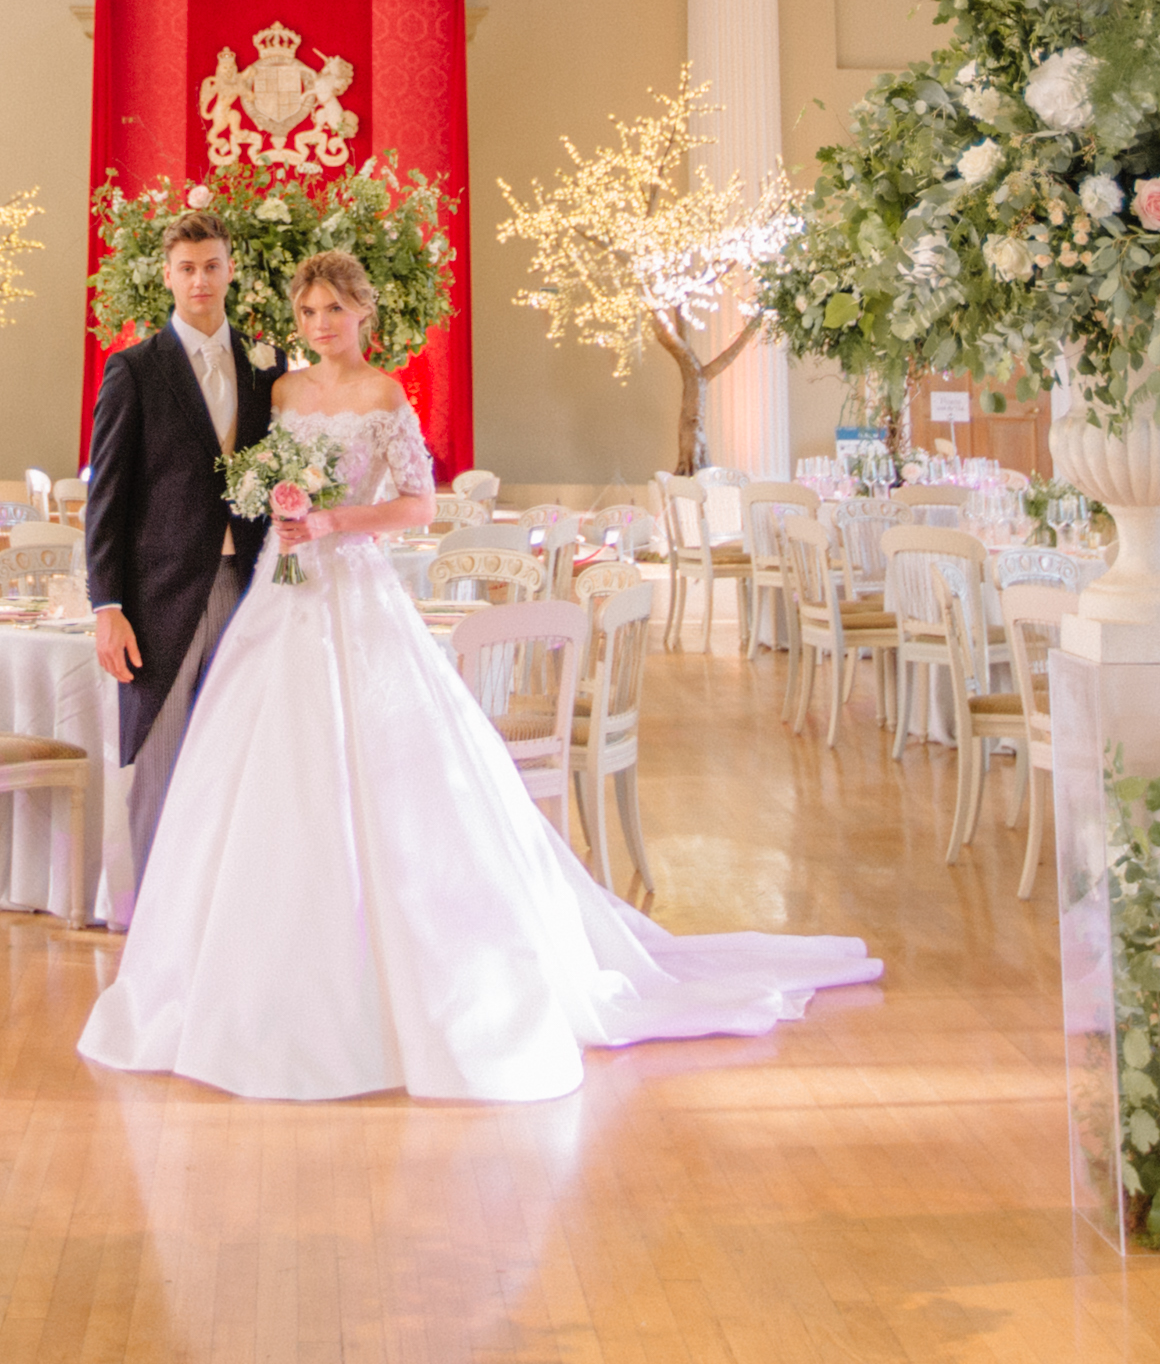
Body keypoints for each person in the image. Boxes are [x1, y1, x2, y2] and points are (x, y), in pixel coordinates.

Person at [80, 251, 879, 1102]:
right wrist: (277, 504)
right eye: (308, 312)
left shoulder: (386, 395)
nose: (320, 326)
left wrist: (337, 518)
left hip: (352, 586)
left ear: (363, 315)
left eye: (334, 312)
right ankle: (254, 968)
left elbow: (420, 504)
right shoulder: (277, 393)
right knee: (262, 768)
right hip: (279, 594)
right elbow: (242, 481)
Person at [78, 211, 272, 884]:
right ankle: (145, 919)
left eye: (212, 266)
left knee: (238, 757)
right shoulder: (133, 370)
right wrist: (107, 604)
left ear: (230, 270)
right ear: (168, 275)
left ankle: (213, 915)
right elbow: (106, 499)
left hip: (248, 588)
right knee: (158, 762)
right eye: (187, 268)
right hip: (159, 597)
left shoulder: (263, 366)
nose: (200, 280)